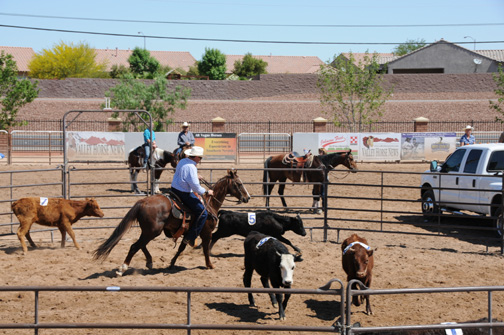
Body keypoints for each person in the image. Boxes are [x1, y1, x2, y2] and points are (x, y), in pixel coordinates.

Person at [170, 146, 214, 247]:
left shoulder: (182, 161)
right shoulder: (191, 167)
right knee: (203, 213)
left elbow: (181, 172)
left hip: (174, 189)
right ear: (197, 157)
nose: (200, 160)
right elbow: (196, 187)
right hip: (184, 192)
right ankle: (191, 237)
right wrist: (207, 191)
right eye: (200, 158)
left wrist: (195, 175)